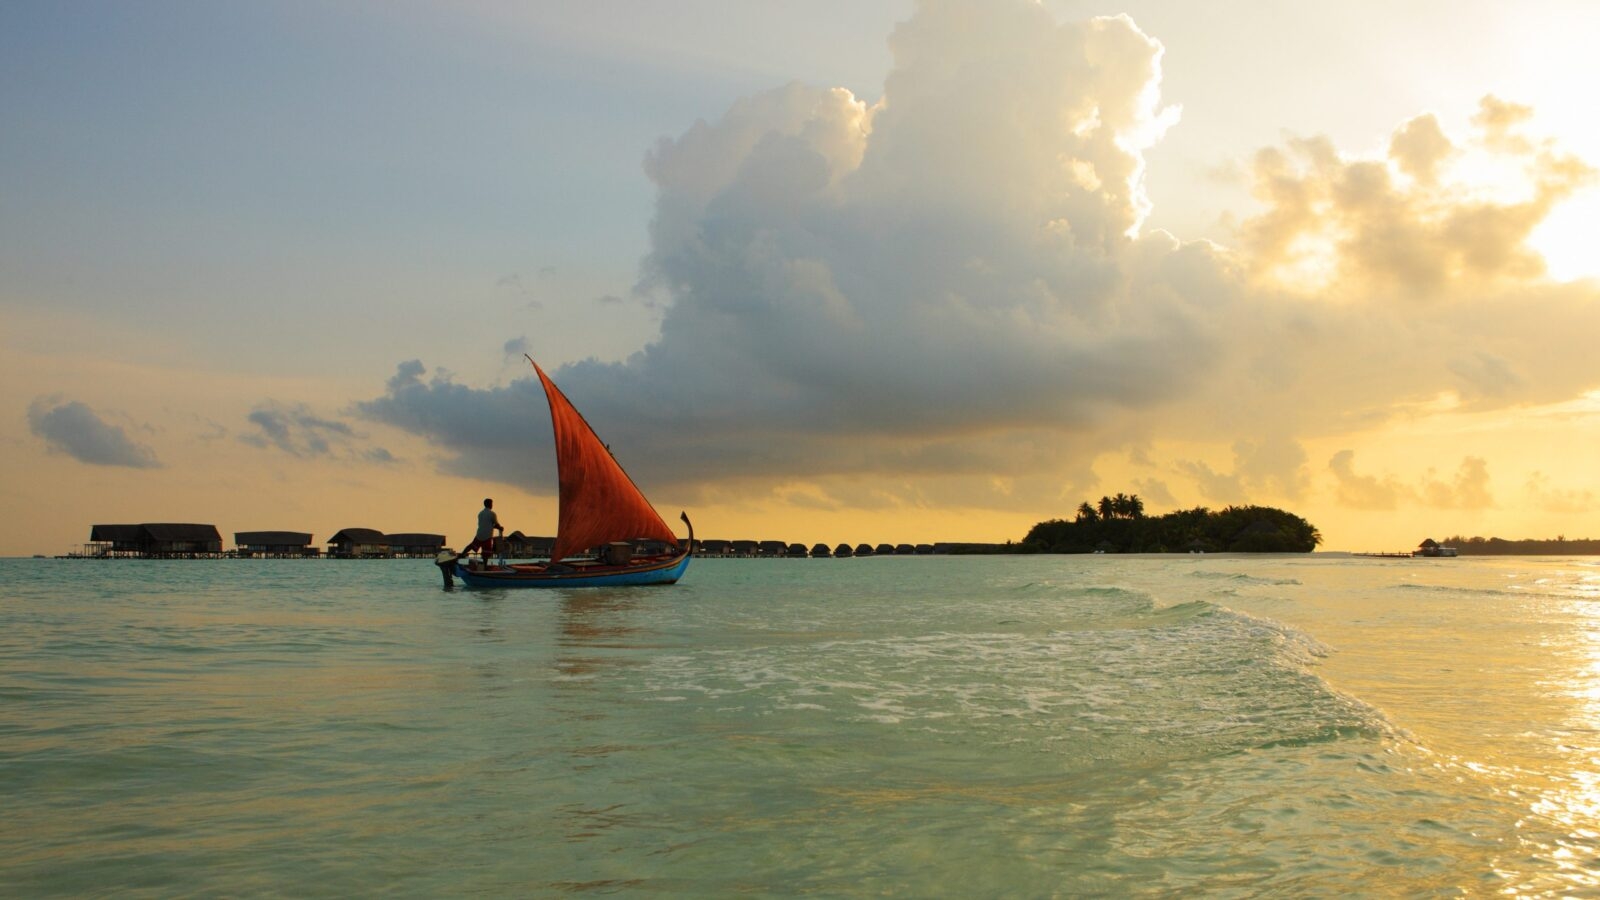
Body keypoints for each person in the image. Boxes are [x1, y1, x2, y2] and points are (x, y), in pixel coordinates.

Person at [461, 498, 504, 562]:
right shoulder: (492, 514)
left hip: (479, 534)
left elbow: (485, 524)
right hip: (487, 536)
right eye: (491, 504)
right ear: (489, 504)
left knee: (472, 545)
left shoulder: (480, 513)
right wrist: (500, 528)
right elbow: (496, 525)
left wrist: (493, 526)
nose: (492, 505)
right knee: (486, 553)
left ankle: (462, 554)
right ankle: (485, 566)